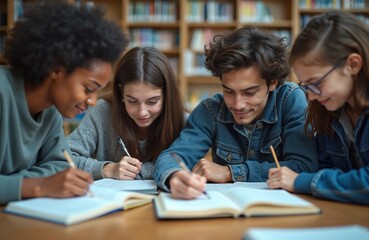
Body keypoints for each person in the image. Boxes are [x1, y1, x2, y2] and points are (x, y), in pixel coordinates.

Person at [154, 27, 318, 199]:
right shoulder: (211, 109)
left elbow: (304, 166)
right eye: (229, 92)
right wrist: (175, 176)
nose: (238, 105)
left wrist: (231, 172)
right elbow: (172, 156)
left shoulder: (290, 99)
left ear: (272, 83)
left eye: (249, 92)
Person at [0, 1, 127, 204]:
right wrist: (40, 185)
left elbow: (62, 168)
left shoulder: (50, 113)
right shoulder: (3, 92)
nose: (93, 101)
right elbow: (51, 180)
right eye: (88, 88)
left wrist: (14, 182)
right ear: (57, 68)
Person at [267, 11, 369, 205]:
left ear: (353, 65)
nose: (311, 96)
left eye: (316, 83)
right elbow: (325, 167)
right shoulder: (329, 112)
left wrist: (301, 181)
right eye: (305, 86)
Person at [67, 46, 186, 180]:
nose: (142, 112)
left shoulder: (182, 120)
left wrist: (142, 171)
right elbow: (64, 157)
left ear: (166, 95)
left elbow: (188, 164)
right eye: (132, 101)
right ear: (121, 92)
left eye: (152, 102)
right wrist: (108, 169)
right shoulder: (101, 111)